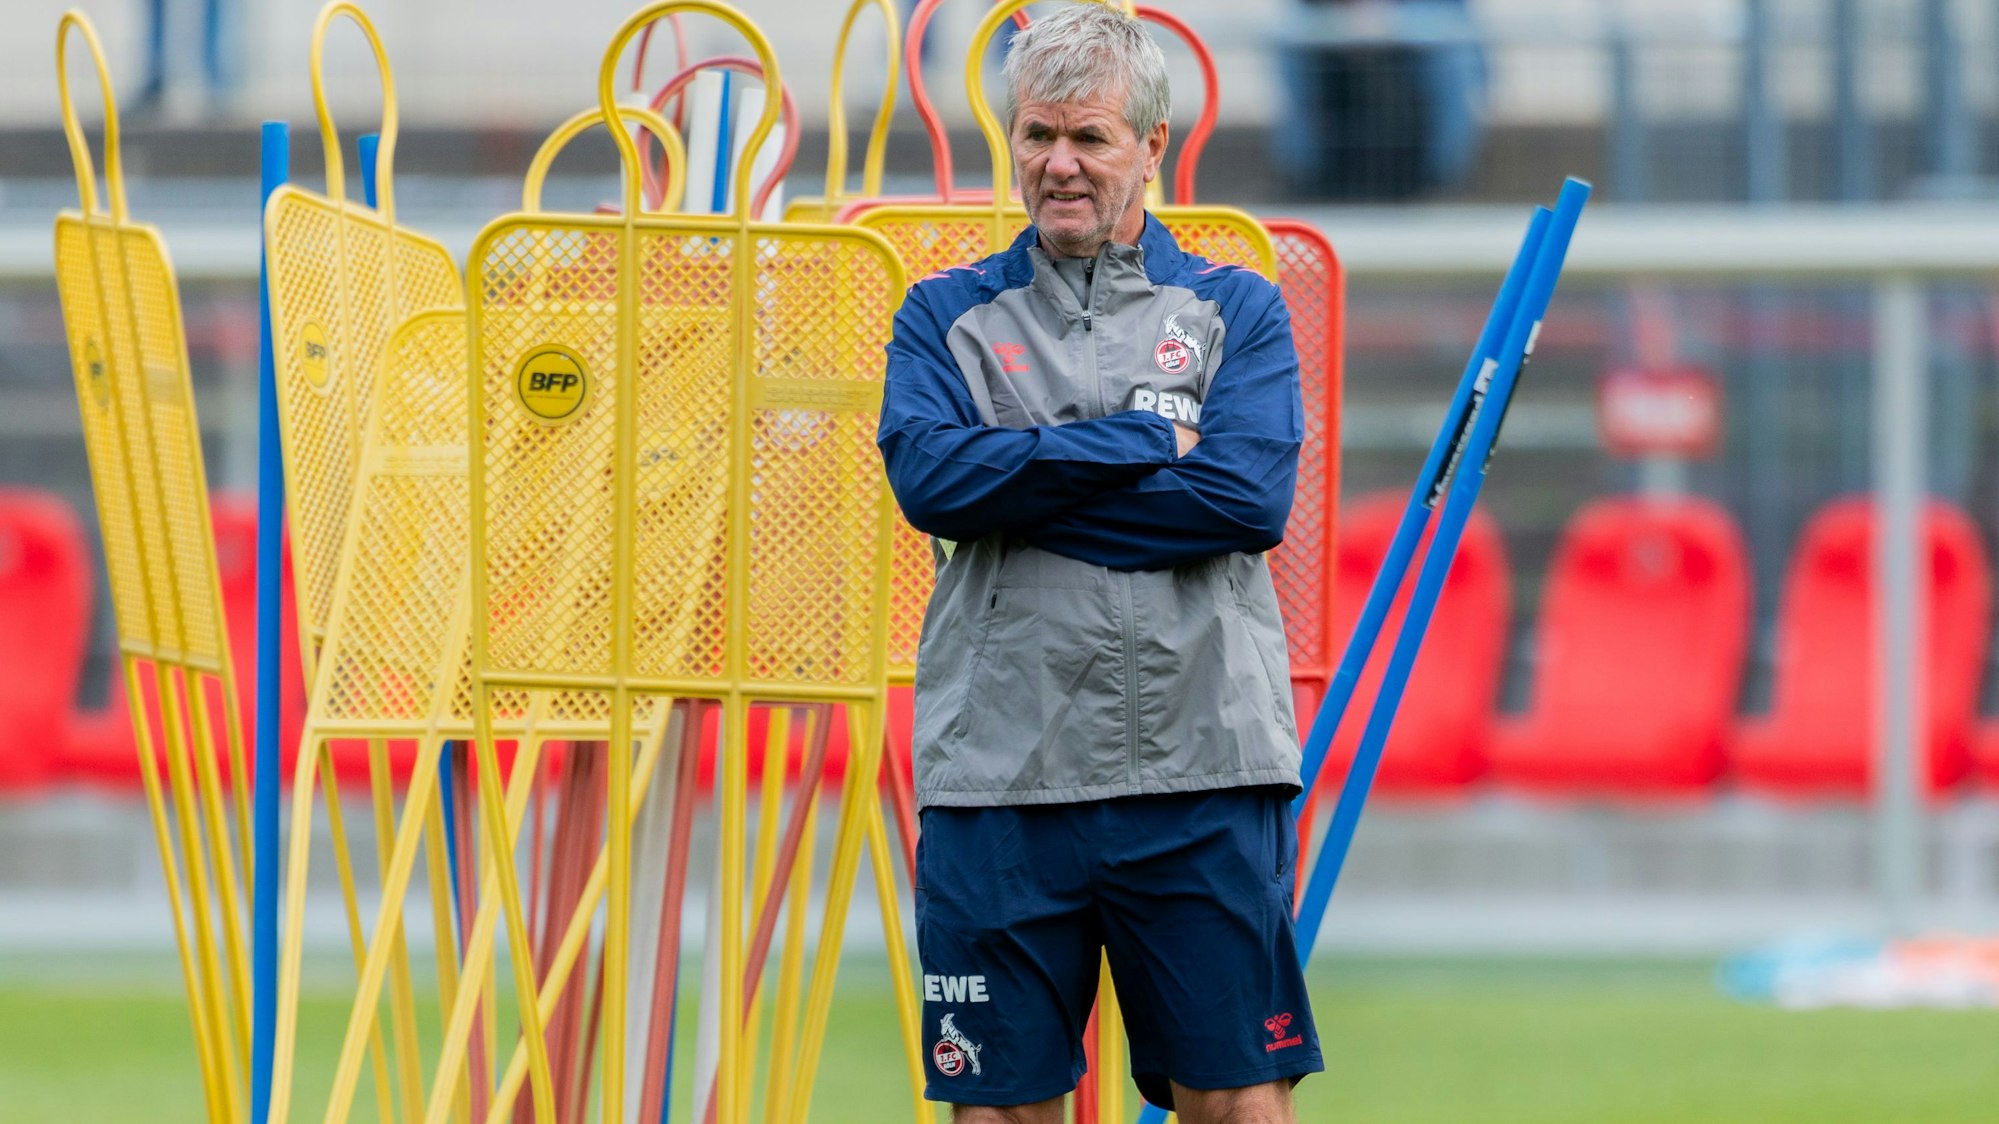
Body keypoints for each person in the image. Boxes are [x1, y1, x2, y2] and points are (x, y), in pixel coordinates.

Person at [876, 7, 1321, 1122]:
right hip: (999, 772)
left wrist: (1016, 488)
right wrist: (1128, 444)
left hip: (1200, 767)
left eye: (1088, 137)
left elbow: (1241, 499)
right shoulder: (941, 317)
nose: (1057, 165)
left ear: (1151, 144)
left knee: (1236, 1101)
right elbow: (931, 484)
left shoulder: (1237, 310)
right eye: (1035, 136)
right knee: (996, 1108)